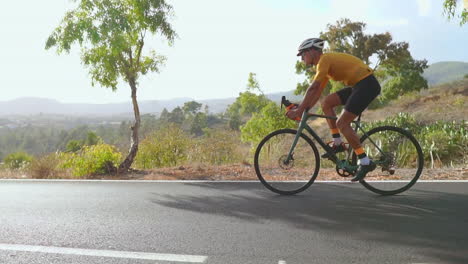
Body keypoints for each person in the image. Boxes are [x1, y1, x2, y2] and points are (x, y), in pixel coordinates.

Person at [286, 38, 381, 182]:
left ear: (312, 51)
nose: (302, 58)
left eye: (303, 54)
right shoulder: (323, 65)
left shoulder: (324, 59)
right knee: (327, 103)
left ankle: (365, 162)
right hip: (359, 85)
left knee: (342, 123)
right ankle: (337, 143)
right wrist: (304, 108)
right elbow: (317, 92)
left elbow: (312, 88)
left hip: (367, 85)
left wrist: (298, 111)